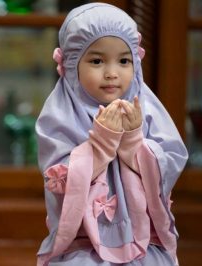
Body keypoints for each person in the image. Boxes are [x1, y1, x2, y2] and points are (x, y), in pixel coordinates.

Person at [35, 3, 188, 266]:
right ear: (72, 64)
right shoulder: (60, 116)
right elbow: (59, 182)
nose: (112, 73)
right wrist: (101, 145)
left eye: (124, 60)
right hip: (81, 244)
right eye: (96, 61)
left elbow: (170, 163)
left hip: (144, 241)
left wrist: (133, 141)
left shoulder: (146, 108)